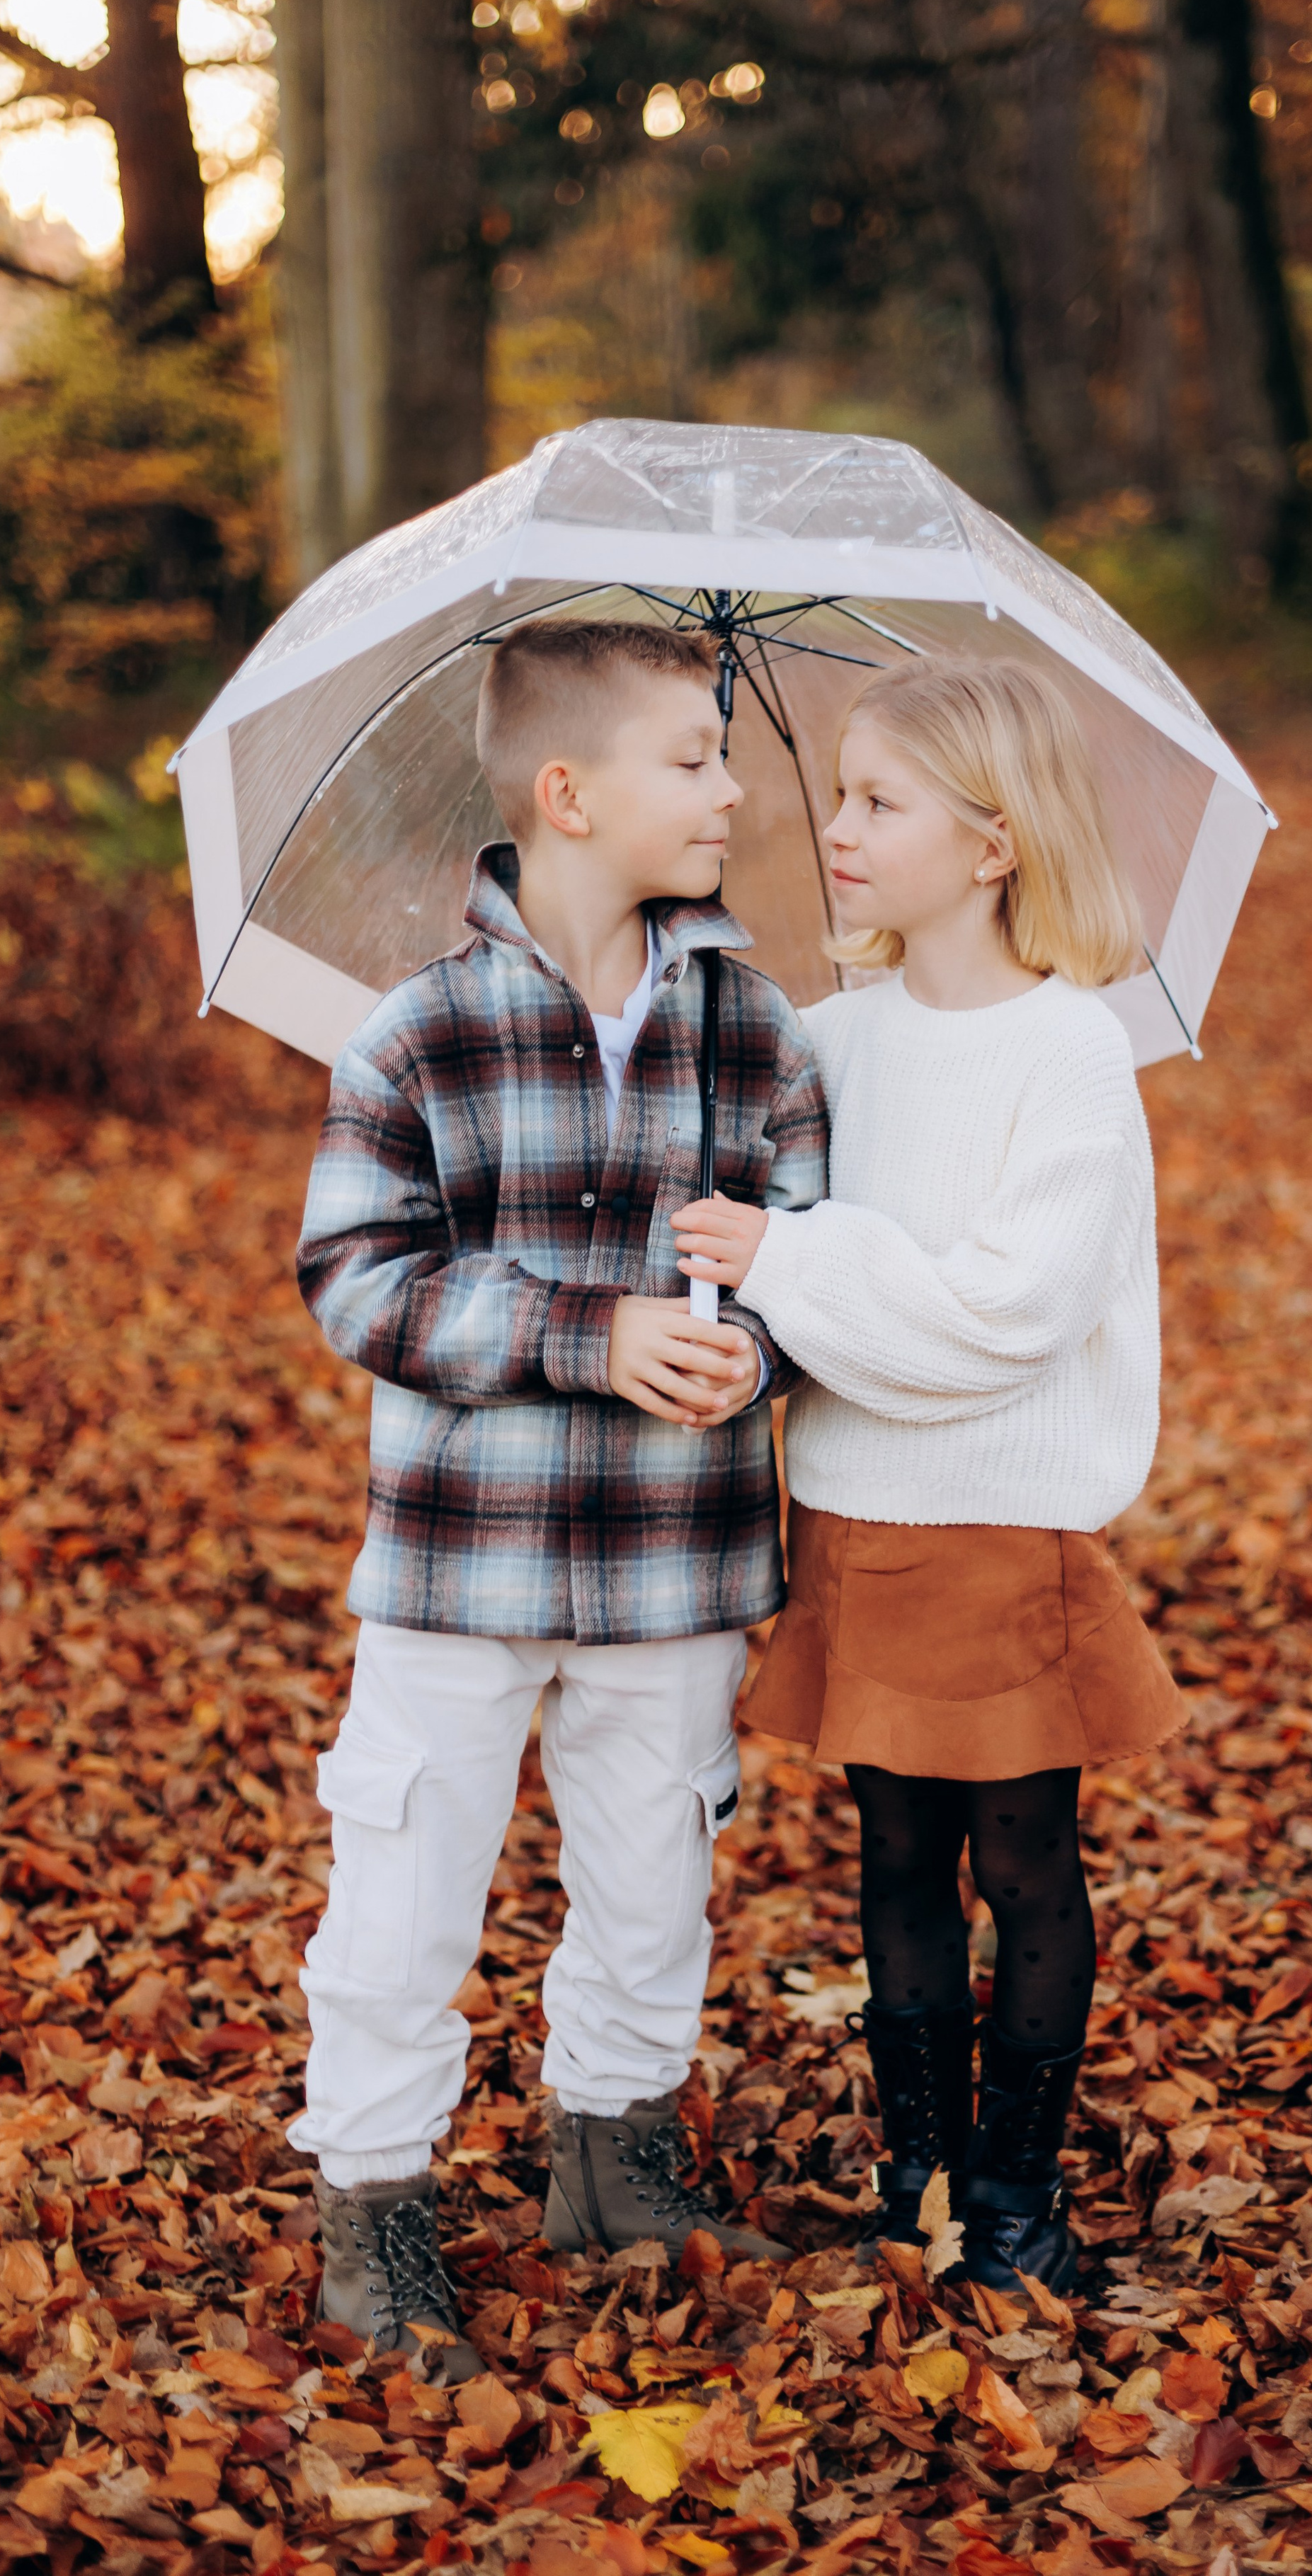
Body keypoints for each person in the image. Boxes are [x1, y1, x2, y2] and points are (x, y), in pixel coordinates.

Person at [292, 619, 826, 2374]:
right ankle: (377, 2209)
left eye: (727, 754)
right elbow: (359, 1282)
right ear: (567, 794)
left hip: (675, 1563)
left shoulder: (755, 1033)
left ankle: (616, 2165)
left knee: (656, 1877)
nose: (730, 791)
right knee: (406, 1891)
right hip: (462, 1562)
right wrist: (579, 1335)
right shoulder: (415, 1036)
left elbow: (811, 1259)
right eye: (692, 759)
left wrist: (755, 1347)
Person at [673, 656, 1183, 2298]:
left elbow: (1005, 1318)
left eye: (880, 802)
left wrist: (797, 1260)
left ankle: (1015, 2203)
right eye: (838, 794)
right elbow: (785, 1297)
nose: (837, 828)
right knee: (891, 1861)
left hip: (1000, 1532)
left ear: (992, 844)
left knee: (1021, 1865)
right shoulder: (823, 1042)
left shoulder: (1069, 1054)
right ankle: (920, 2187)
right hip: (856, 1520)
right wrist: (755, 1269)